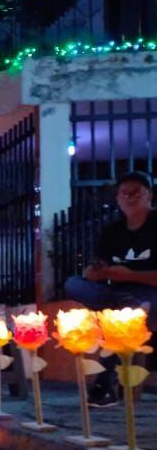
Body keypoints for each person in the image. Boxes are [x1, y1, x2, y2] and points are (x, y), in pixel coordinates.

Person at [64, 171, 157, 406]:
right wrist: (96, 272)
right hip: (116, 295)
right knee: (74, 283)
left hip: (151, 294)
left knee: (124, 314)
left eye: (137, 192)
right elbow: (99, 267)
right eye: (124, 193)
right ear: (117, 199)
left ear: (149, 196)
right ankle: (126, 308)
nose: (130, 197)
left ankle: (103, 385)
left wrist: (131, 275)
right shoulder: (112, 232)